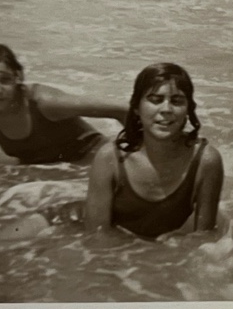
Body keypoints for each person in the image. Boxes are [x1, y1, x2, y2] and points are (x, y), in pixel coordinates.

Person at [84, 62, 224, 239]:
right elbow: (97, 238)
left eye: (177, 101)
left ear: (188, 109)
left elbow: (204, 238)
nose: (166, 109)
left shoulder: (206, 161)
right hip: (69, 222)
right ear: (136, 108)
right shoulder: (110, 158)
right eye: (155, 100)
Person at [0, 44, 126, 165]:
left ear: (18, 77)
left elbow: (122, 110)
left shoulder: (46, 103)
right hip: (53, 183)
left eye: (5, 80)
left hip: (98, 165)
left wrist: (141, 157)